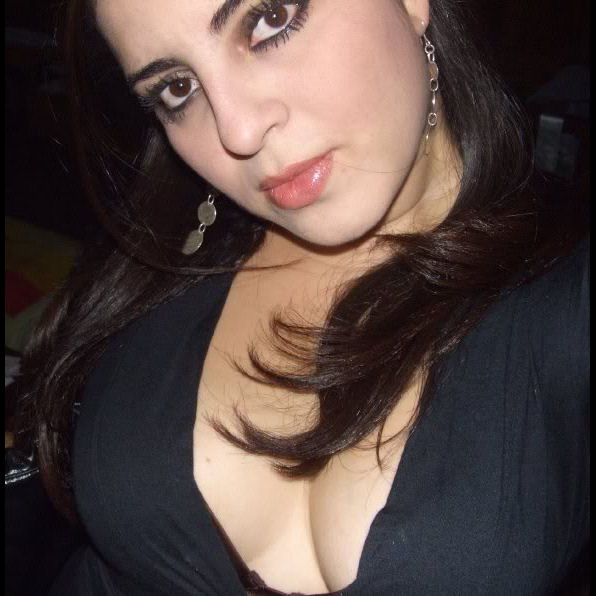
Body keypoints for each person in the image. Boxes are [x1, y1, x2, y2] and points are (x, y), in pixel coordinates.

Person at [14, 0, 588, 594]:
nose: (237, 131)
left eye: (268, 20)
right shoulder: (177, 243)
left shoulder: (564, 302)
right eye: (177, 88)